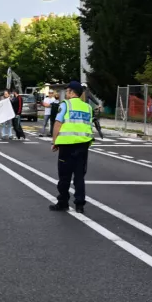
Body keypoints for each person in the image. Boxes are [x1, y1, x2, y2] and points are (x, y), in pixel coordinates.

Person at [50, 81, 94, 214]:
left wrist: (54, 142)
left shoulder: (65, 105)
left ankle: (63, 202)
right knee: (79, 176)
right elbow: (88, 125)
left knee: (64, 176)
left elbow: (58, 123)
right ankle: (80, 205)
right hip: (83, 144)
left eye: (67, 91)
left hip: (67, 145)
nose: (66, 94)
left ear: (71, 92)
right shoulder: (88, 107)